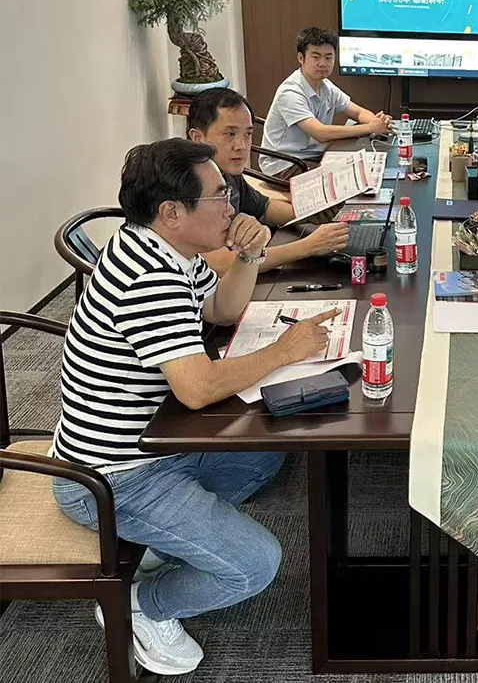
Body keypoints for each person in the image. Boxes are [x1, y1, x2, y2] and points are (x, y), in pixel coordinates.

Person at [51, 139, 341, 676]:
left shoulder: (165, 248)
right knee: (255, 564)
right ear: (172, 212)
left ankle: (163, 541)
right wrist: (283, 351)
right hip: (114, 479)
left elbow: (221, 309)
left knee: (268, 448)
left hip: (156, 442)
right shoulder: (148, 276)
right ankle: (140, 606)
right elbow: (197, 390)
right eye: (220, 197)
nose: (232, 206)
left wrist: (249, 256)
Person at [187, 87, 349, 274]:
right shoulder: (189, 187)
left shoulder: (225, 171)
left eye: (248, 134)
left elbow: (263, 208)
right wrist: (309, 246)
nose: (241, 146)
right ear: (197, 138)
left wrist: (308, 212)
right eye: (230, 134)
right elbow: (223, 264)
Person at [260, 26, 393, 178]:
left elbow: (358, 112)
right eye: (316, 57)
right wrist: (370, 127)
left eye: (329, 57)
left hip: (313, 156)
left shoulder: (327, 86)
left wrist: (377, 122)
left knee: (365, 167)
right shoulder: (290, 92)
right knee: (353, 177)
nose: (323, 63)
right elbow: (321, 133)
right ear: (301, 58)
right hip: (286, 164)